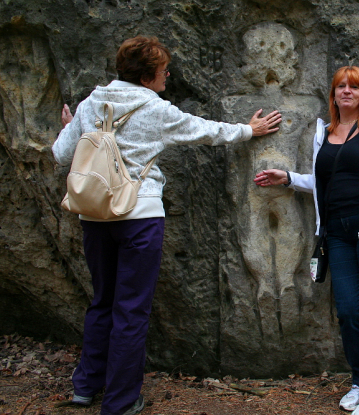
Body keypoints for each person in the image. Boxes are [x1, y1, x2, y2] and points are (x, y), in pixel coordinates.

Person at [53, 36, 281, 415]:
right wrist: (248, 130)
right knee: (132, 309)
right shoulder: (155, 108)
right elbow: (205, 131)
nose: (167, 76)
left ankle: (85, 387)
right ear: (147, 77)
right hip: (138, 218)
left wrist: (69, 129)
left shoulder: (91, 103)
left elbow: (61, 154)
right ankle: (121, 401)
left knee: (102, 302)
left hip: (93, 216)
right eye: (162, 71)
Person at [254, 66, 359, 415]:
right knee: (349, 311)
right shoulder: (323, 133)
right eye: (341, 86)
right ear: (334, 93)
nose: (347, 92)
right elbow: (323, 181)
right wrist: (289, 178)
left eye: (354, 87)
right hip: (335, 235)